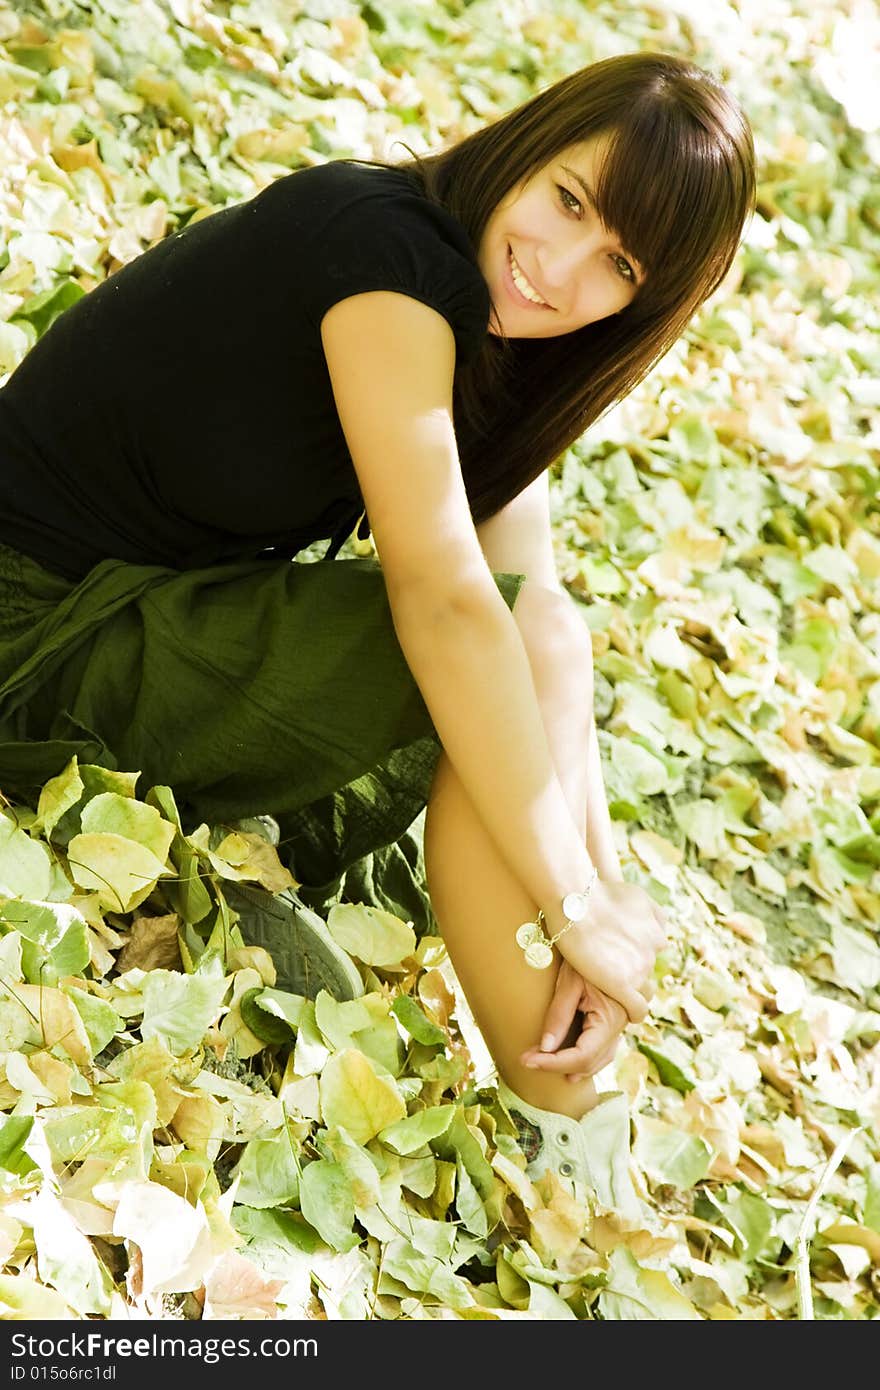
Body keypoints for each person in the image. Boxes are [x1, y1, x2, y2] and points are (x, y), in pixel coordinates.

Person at [0, 51, 755, 1196]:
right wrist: (573, 901)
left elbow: (538, 613)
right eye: (568, 200)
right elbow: (448, 603)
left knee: (540, 638)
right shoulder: (386, 259)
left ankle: (578, 1085)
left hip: (138, 609)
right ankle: (569, 1124)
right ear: (527, 145)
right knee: (484, 659)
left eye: (618, 265)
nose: (559, 272)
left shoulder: (482, 324)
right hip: (32, 627)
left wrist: (603, 907)